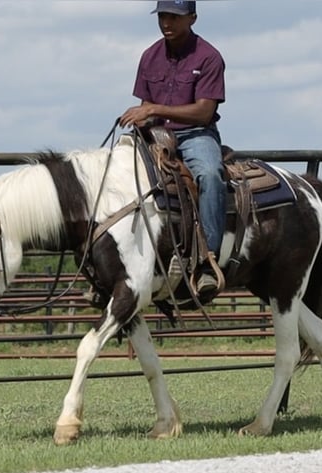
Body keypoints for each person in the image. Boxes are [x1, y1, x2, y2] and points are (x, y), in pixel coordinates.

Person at [119, 0, 226, 298]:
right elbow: (146, 108)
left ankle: (207, 260)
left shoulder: (209, 57)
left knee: (210, 174)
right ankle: (112, 261)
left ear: (192, 18)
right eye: (163, 16)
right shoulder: (149, 56)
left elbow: (204, 112)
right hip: (154, 134)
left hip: (194, 135)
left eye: (175, 17)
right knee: (115, 173)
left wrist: (154, 108)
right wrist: (141, 116)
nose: (167, 22)